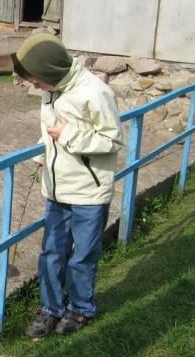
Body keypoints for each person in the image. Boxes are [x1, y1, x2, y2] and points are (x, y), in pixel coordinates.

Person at [10, 33, 123, 339]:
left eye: (35, 81)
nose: (34, 88)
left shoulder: (95, 93)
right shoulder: (53, 89)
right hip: (57, 189)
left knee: (82, 254)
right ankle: (51, 308)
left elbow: (112, 139)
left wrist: (68, 137)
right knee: (52, 252)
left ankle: (81, 307)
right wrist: (43, 147)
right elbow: (53, 129)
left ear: (50, 73)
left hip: (89, 191)